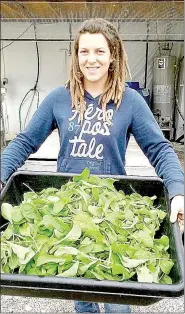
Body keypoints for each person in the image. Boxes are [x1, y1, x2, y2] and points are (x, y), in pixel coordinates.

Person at [1, 18, 184, 313]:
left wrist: (177, 191)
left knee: (116, 301)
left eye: (99, 51)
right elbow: (24, 142)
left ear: (112, 55)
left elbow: (160, 149)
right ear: (76, 56)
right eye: (84, 52)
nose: (91, 59)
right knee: (82, 299)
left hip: (112, 209)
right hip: (69, 209)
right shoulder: (59, 98)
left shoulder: (131, 101)